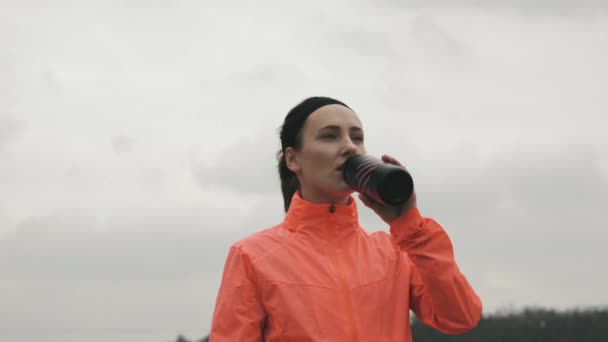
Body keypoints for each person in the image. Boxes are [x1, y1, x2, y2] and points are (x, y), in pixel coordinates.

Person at [210, 96, 482, 341]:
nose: (349, 147)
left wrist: (409, 224)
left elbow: (460, 317)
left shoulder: (394, 252)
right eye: (330, 136)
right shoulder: (251, 256)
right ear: (293, 160)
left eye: (357, 138)